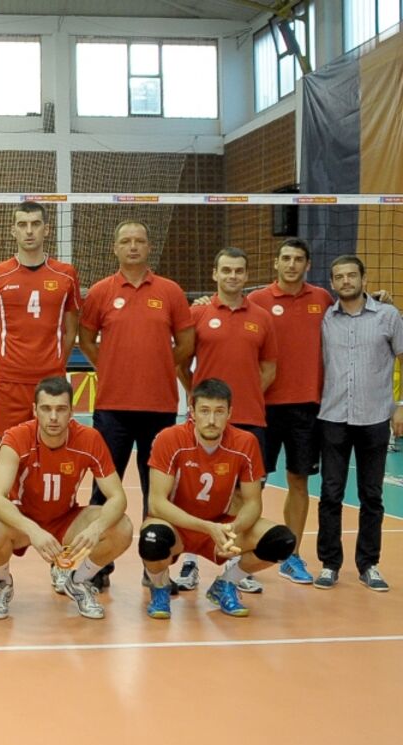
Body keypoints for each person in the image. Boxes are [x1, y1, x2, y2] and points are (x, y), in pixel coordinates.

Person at [138, 379, 297, 619]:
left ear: (230, 413)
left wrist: (233, 529)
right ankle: (160, 587)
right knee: (152, 538)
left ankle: (226, 583)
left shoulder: (245, 443)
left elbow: (253, 503)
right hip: (177, 526)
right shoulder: (169, 439)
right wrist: (207, 527)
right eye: (204, 411)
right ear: (192, 412)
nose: (211, 420)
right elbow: (157, 503)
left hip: (221, 524)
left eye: (219, 412)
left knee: (282, 541)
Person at [0, 377, 132, 620]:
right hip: (23, 519)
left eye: (61, 409)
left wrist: (96, 528)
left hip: (65, 519)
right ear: (35, 410)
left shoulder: (89, 439)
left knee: (122, 527)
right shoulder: (17, 437)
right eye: (46, 408)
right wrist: (32, 529)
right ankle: (2, 583)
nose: (53, 417)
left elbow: (118, 497)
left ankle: (79, 581)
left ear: (72, 412)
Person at [175, 247, 277, 594]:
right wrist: (200, 399)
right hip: (204, 422)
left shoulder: (262, 318)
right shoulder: (198, 313)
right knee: (193, 492)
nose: (233, 276)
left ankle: (235, 563)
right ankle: (190, 561)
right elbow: (180, 361)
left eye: (239, 271)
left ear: (247, 276)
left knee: (246, 496)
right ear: (215, 274)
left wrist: (242, 398)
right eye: (226, 270)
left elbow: (269, 368)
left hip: (250, 419)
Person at [79, 220, 194, 524]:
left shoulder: (170, 291)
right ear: (115, 248)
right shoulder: (101, 291)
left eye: (139, 241)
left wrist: (160, 364)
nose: (133, 247)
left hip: (159, 407)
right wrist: (109, 365)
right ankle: (97, 554)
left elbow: (187, 342)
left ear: (149, 247)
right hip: (111, 408)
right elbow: (85, 340)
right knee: (103, 491)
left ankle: (152, 554)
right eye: (126, 241)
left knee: (157, 493)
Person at [245, 238, 332, 585]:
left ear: (308, 264)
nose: (291, 264)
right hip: (262, 407)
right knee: (253, 485)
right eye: (286, 258)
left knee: (299, 480)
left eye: (298, 259)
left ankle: (291, 556)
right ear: (276, 263)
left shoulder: (322, 299)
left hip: (307, 408)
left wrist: (378, 299)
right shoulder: (257, 300)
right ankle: (246, 557)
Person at [314, 255, 403, 592]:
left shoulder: (388, 316)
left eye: (352, 275)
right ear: (332, 283)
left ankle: (369, 564)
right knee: (330, 493)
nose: (346, 281)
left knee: (372, 495)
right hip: (333, 417)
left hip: (375, 417)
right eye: (339, 277)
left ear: (364, 279)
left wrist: (401, 406)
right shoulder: (325, 318)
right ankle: (329, 564)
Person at [0, 201, 81, 465]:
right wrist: (4, 366)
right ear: (13, 230)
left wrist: (55, 364)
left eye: (35, 224)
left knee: (50, 463)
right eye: (22, 225)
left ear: (46, 229)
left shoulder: (66, 275)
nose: (29, 231)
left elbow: (71, 331)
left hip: (51, 383)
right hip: (8, 383)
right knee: (1, 464)